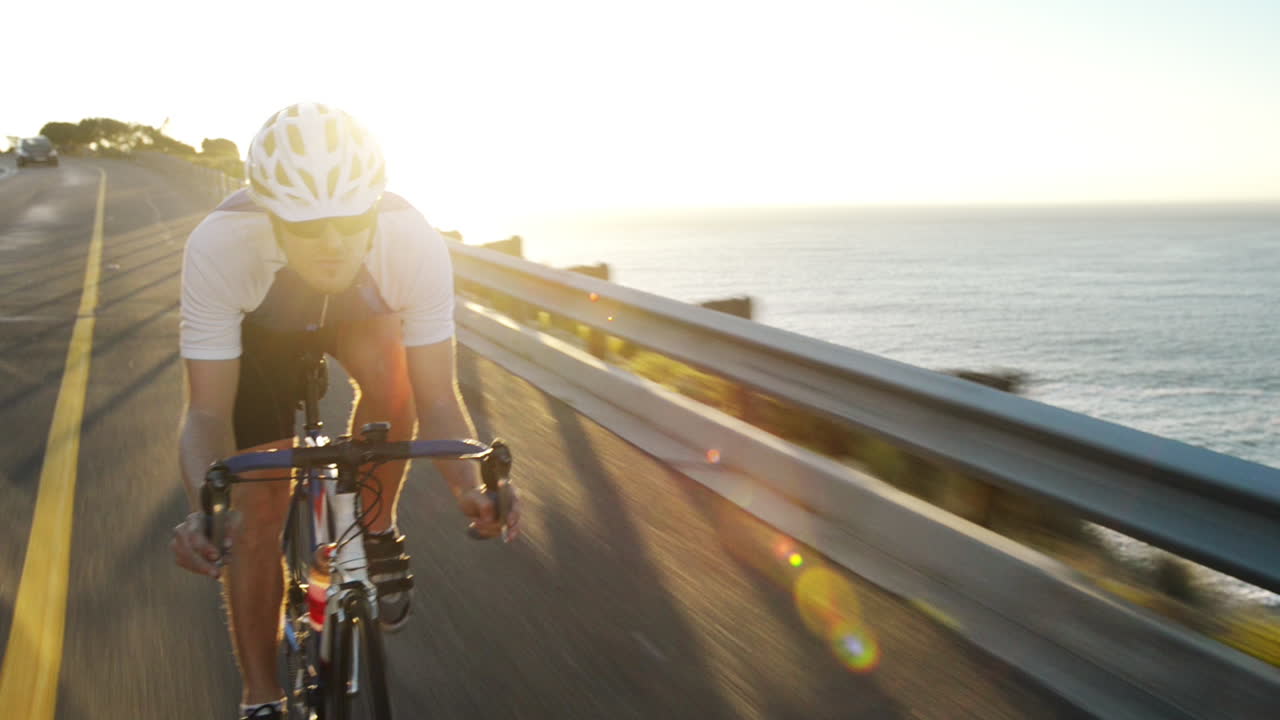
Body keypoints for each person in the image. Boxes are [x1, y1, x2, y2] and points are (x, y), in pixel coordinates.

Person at [169, 103, 521, 720]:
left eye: (350, 219)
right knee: (256, 513)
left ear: (375, 208)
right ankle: (260, 697)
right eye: (306, 227)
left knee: (399, 385)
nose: (331, 243)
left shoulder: (410, 241)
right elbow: (206, 414)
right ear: (271, 218)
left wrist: (470, 486)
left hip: (361, 315)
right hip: (261, 333)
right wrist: (208, 504)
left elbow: (438, 398)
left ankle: (376, 528)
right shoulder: (220, 246)